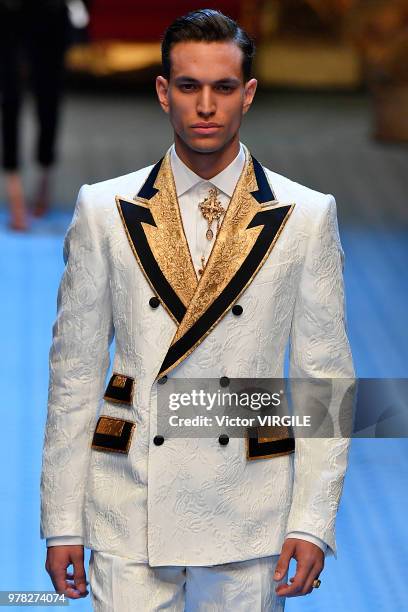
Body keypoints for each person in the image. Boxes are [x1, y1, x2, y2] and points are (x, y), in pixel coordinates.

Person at [40, 8, 355, 611]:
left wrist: (313, 520)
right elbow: (74, 375)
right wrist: (62, 522)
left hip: (250, 504)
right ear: (164, 92)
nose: (205, 105)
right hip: (128, 501)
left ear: (248, 94)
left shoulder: (306, 216)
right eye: (189, 86)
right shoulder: (105, 209)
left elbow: (326, 382)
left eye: (223, 87)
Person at [0, 0, 69, 230]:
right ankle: (15, 194)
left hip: (51, 12)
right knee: (9, 100)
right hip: (9, 12)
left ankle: (43, 182)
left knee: (48, 101)